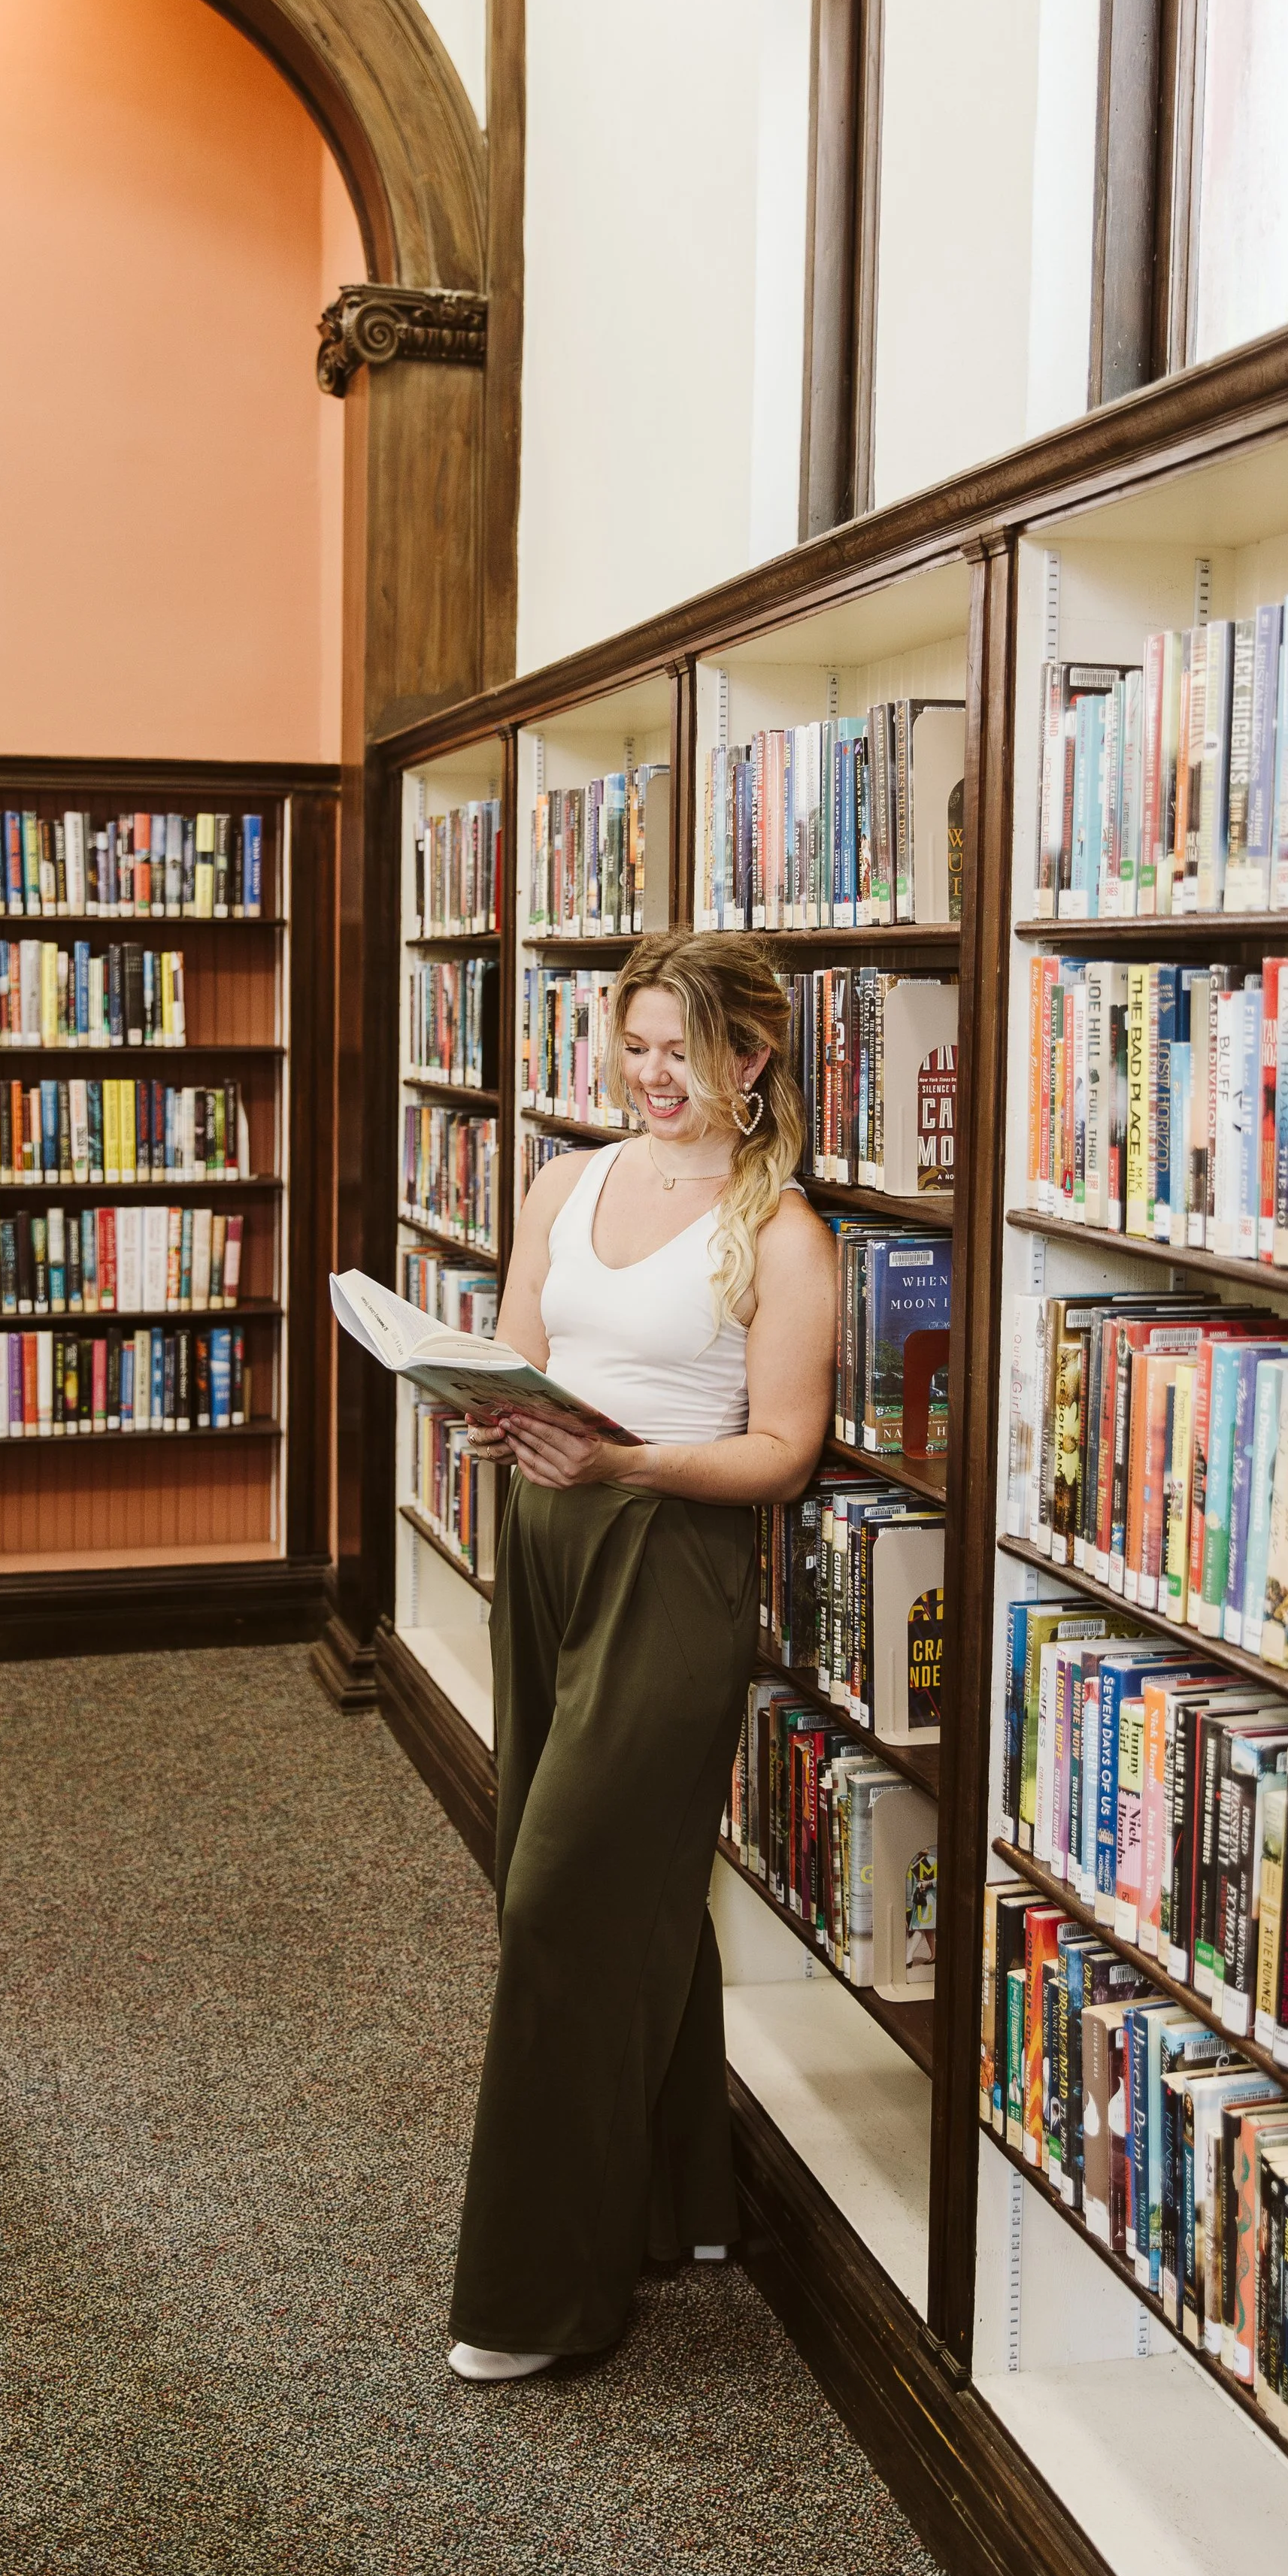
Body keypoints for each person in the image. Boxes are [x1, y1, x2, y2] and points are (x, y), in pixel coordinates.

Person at [445, 930, 835, 2381]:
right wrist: (495, 1409)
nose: (654, 1073)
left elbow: (785, 1452)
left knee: (563, 1902)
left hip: (666, 1556)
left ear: (751, 1060)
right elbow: (511, 1341)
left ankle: (534, 2295)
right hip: (542, 1543)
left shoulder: (782, 1230)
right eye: (637, 1042)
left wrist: (622, 1459)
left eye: (686, 1048)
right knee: (576, 1880)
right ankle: (680, 2195)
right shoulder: (566, 1178)